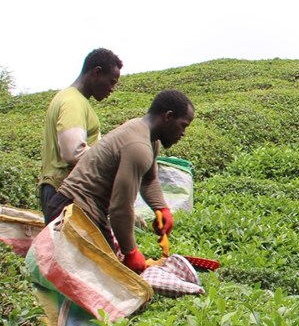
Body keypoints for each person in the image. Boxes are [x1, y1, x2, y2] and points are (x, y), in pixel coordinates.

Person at [47, 89, 194, 275]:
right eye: (183, 125)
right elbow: (120, 208)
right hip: (73, 211)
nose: (183, 133)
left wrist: (161, 208)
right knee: (102, 279)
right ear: (168, 116)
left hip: (86, 211)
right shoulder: (138, 147)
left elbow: (149, 180)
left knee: (108, 277)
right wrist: (130, 251)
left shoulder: (148, 137)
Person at [39, 48, 124, 223]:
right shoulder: (73, 102)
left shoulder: (69, 98)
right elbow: (74, 152)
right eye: (111, 82)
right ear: (96, 72)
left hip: (59, 190)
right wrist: (113, 164)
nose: (112, 89)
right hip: (65, 193)